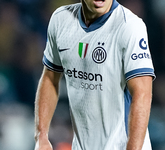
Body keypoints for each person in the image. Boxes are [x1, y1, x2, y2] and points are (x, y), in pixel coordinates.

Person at [34, 0, 155, 150]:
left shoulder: (129, 26)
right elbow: (50, 78)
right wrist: (41, 136)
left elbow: (142, 93)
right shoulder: (60, 19)